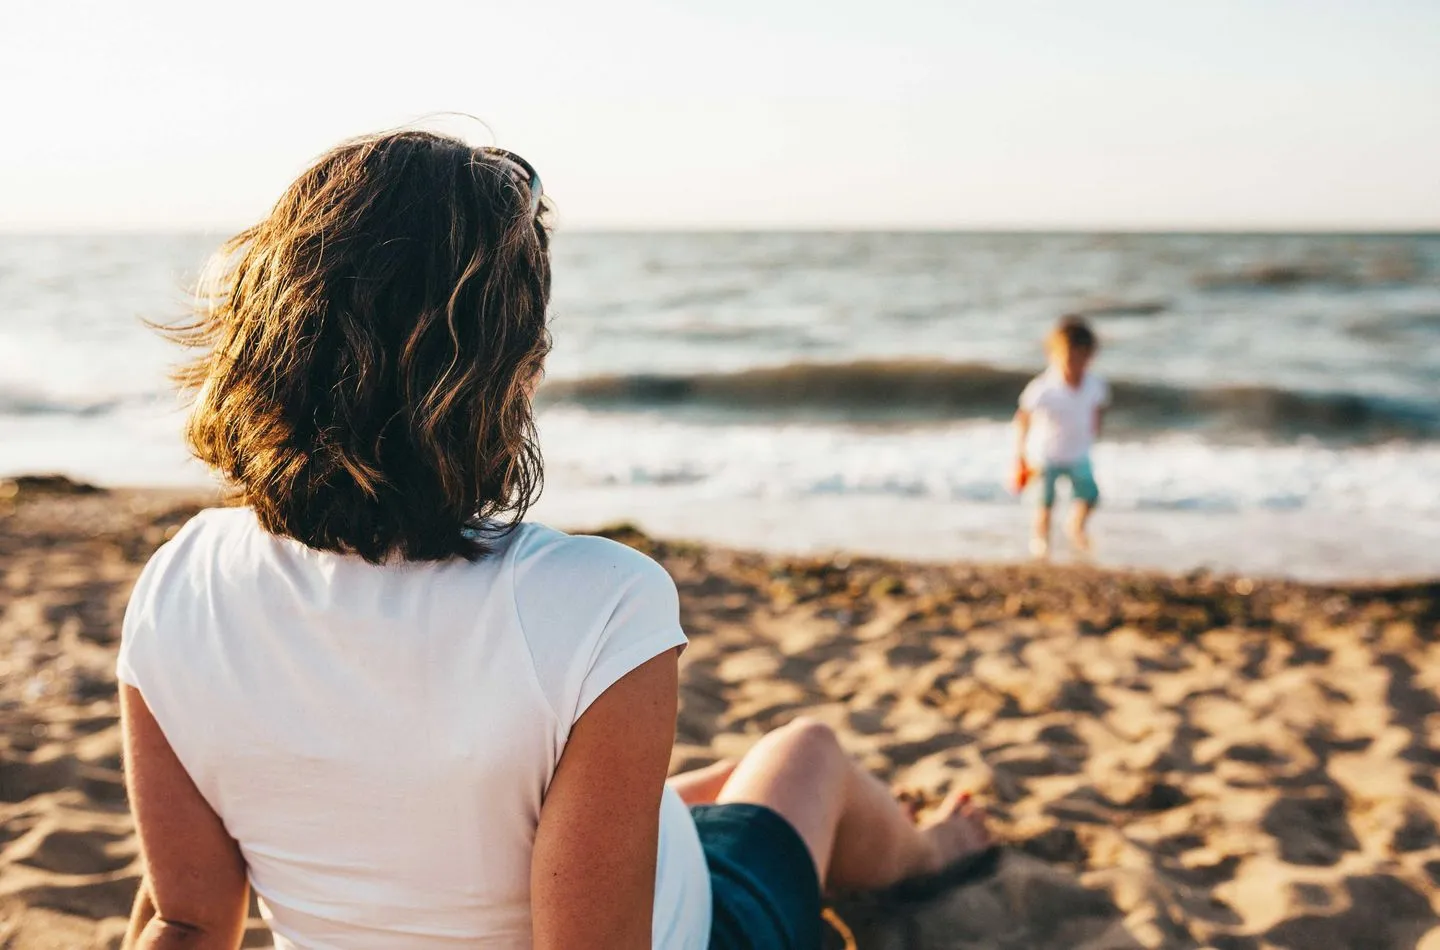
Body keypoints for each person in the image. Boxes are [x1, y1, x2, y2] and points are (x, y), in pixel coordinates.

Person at [117, 129, 990, 950]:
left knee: (702, 789)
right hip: (701, 926)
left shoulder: (178, 583)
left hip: (502, 858)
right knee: (807, 755)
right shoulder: (601, 601)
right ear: (513, 369)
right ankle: (936, 856)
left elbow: (189, 925)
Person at [1013, 316, 1109, 558]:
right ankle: (1041, 542)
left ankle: (1075, 526)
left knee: (1090, 496)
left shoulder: (1095, 384)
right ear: (1052, 355)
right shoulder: (1044, 387)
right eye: (1069, 358)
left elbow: (1097, 409)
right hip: (1046, 454)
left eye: (1081, 358)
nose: (1074, 364)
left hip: (1078, 453)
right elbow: (1023, 417)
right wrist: (1021, 455)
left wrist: (1094, 431)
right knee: (1044, 502)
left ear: (1090, 357)